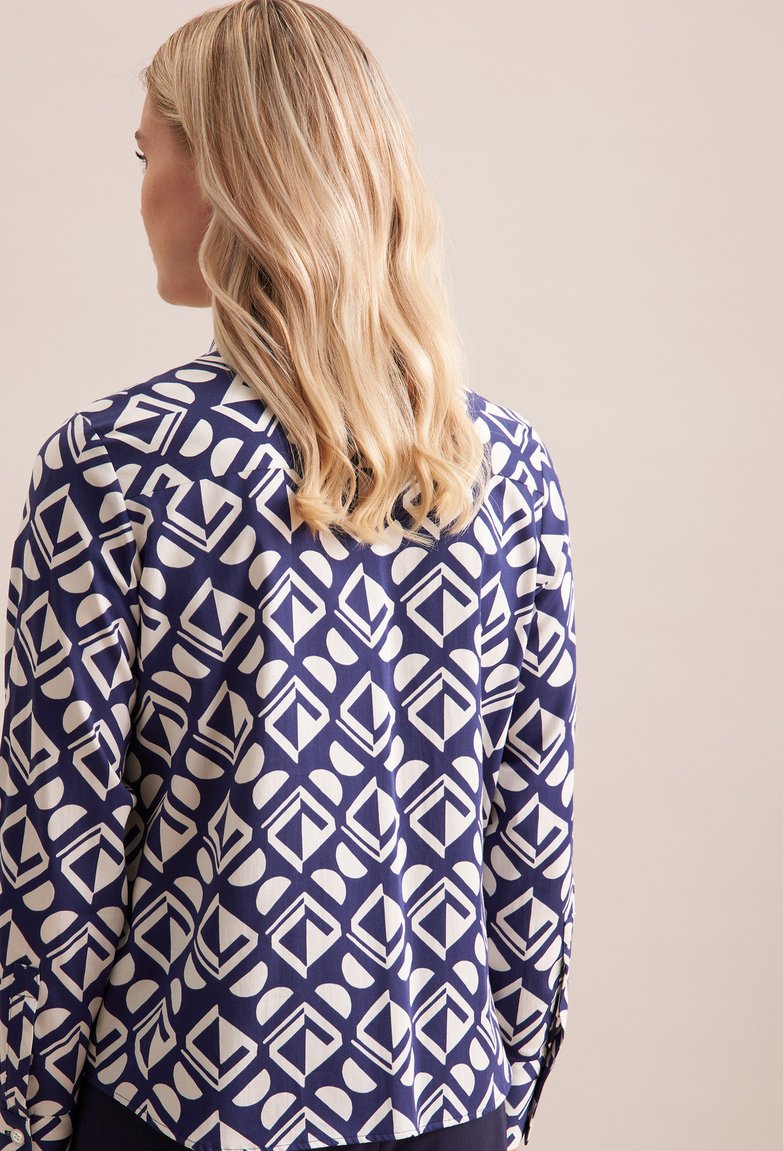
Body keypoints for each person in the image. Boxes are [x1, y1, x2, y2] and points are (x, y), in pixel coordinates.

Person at [0, 3, 577, 1151]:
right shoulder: (501, 466)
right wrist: (495, 1102)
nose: (140, 193)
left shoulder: (116, 464)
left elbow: (57, 859)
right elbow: (530, 845)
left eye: (146, 154)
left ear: (224, 173)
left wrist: (26, 1117)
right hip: (446, 1100)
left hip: (188, 1103)